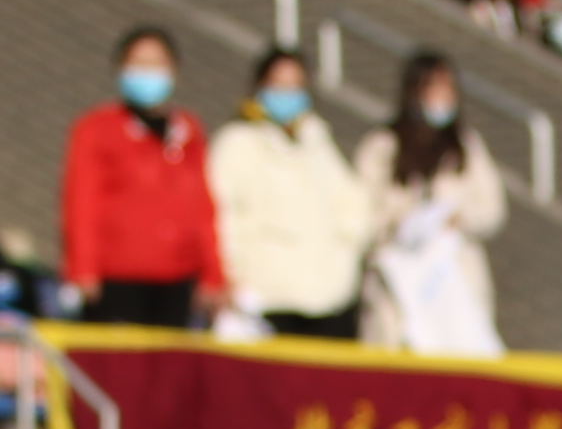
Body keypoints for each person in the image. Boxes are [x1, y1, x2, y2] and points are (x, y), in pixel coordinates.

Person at [59, 27, 224, 327]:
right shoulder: (97, 128)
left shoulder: (188, 130)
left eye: (156, 64)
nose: (148, 73)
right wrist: (83, 268)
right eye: (139, 64)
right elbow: (81, 203)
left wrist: (213, 274)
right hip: (117, 277)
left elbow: (203, 206)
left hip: (178, 277)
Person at [353, 52, 507, 355]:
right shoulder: (382, 146)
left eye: (448, 89)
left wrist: (458, 218)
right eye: (433, 88)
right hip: (397, 285)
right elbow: (360, 212)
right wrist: (401, 223)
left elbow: (492, 209)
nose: (442, 97)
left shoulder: (465, 146)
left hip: (453, 287)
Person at [209, 45, 368, 338]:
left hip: (324, 296)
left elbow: (352, 207)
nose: (287, 94)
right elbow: (221, 214)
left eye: (295, 86)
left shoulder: (318, 141)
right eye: (279, 85)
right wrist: (226, 276)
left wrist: (344, 254)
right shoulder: (238, 142)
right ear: (260, 87)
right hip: (264, 295)